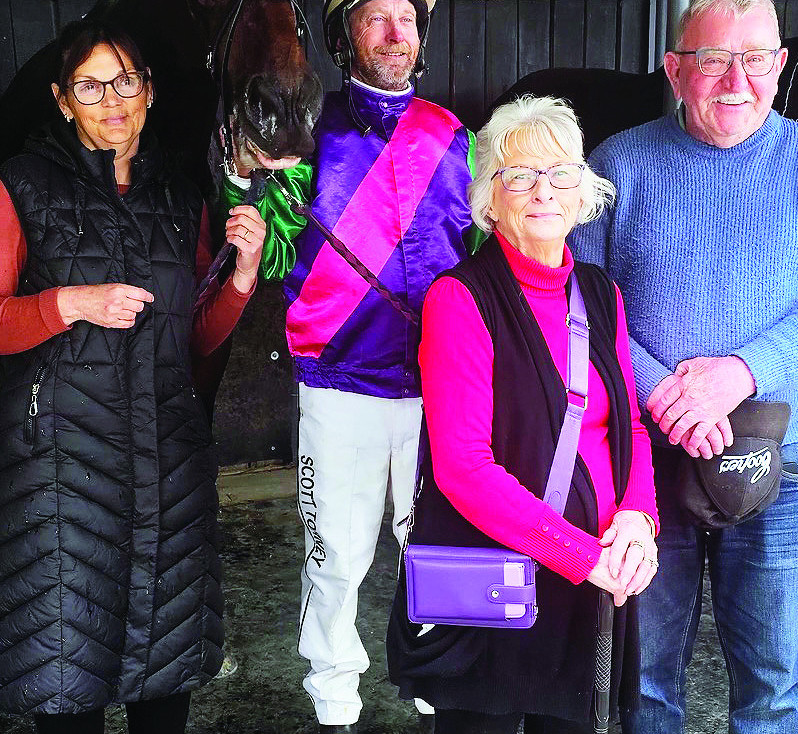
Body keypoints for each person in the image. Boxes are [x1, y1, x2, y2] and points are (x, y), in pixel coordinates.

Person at [570, 1, 798, 732]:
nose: (734, 78)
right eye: (711, 59)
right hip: (647, 462)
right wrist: (666, 396)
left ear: (778, 64)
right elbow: (580, 304)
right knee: (643, 680)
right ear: (676, 70)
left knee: (770, 682)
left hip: (783, 463)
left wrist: (736, 375)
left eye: (755, 58)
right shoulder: (616, 163)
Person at [0, 20, 264, 734]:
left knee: (167, 676)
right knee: (66, 674)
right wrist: (69, 303)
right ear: (64, 102)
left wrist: (241, 278)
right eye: (91, 86)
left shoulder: (181, 196)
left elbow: (193, 340)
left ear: (148, 92)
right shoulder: (22, 185)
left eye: (125, 81)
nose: (111, 100)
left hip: (169, 466)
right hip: (60, 469)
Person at [221, 1, 478, 731]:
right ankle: (333, 697)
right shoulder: (304, 135)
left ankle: (441, 680)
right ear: (341, 38)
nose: (396, 35)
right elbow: (270, 256)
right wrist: (243, 194)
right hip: (340, 385)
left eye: (407, 19)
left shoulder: (455, 138)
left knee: (440, 542)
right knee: (337, 554)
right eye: (376, 19)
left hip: (442, 390)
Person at [387, 95, 659, 734]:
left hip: (588, 578)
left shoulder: (600, 293)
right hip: (497, 581)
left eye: (560, 173)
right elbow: (463, 470)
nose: (543, 190)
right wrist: (582, 555)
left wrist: (638, 520)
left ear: (583, 190)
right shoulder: (459, 299)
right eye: (520, 175)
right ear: (490, 197)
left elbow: (630, 427)